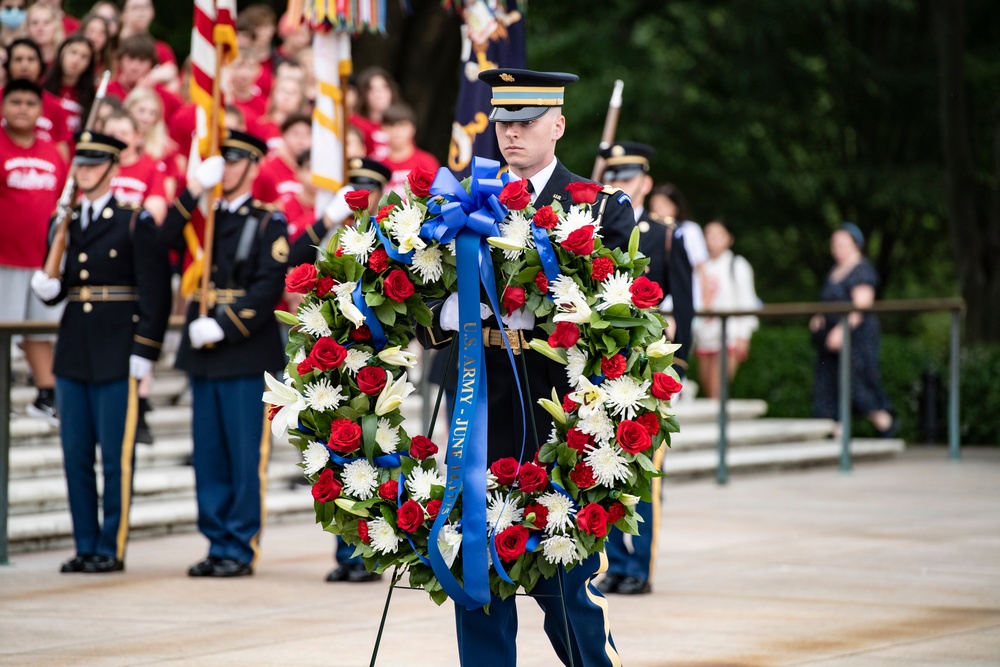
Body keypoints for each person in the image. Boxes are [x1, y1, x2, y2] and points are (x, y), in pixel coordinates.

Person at [420, 68, 634, 667]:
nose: (511, 134)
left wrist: (544, 316)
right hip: (478, 407)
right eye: (503, 123)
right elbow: (419, 307)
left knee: (567, 589)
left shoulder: (598, 207)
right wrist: (450, 310)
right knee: (477, 578)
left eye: (526, 122)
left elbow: (619, 320)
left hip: (557, 410)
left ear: (558, 126)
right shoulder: (461, 202)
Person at [30, 130, 171, 573]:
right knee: (75, 454)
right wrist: (50, 289)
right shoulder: (65, 221)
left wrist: (144, 350)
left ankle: (111, 546)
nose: (84, 172)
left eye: (93, 165)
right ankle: (85, 543)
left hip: (117, 349)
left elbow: (155, 294)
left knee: (114, 456)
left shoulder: (133, 220)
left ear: (112, 168)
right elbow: (67, 285)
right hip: (74, 350)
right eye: (80, 164)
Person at [159, 130, 289, 577]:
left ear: (253, 167)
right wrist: (194, 189)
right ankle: (216, 542)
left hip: (245, 350)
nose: (227, 168)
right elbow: (160, 243)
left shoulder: (269, 220)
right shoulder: (203, 218)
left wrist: (225, 323)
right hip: (204, 351)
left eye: (235, 161)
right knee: (209, 453)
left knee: (242, 453)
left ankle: (239, 544)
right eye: (223, 160)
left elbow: (270, 284)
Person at [595, 141, 693, 597]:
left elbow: (686, 309)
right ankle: (614, 562)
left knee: (644, 468)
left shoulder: (665, 234)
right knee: (604, 465)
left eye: (628, 179)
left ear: (646, 183)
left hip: (648, 366)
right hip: (602, 363)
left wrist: (678, 365)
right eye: (612, 178)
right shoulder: (592, 228)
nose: (619, 187)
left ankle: (639, 566)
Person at [0, 78, 67, 423]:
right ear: (4, 106)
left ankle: (46, 395)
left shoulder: (51, 150)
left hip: (43, 261)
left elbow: (63, 202)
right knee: (4, 332)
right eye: (16, 102)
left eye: (30, 103)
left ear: (41, 111)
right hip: (5, 259)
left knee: (39, 329)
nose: (22, 108)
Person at [810, 223, 896, 437]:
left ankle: (886, 425)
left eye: (842, 242)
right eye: (834, 243)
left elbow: (862, 304)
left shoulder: (862, 269)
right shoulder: (834, 270)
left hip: (856, 338)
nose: (837, 247)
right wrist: (821, 317)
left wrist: (842, 331)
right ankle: (838, 437)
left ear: (855, 244)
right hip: (829, 342)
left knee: (858, 384)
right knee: (829, 387)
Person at [694, 220, 759, 399]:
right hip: (704, 336)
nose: (711, 240)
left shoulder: (737, 265)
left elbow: (747, 301)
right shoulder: (700, 266)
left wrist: (743, 336)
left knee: (717, 389)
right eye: (708, 235)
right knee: (707, 388)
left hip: (728, 336)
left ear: (729, 239)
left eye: (717, 235)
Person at [380, 101, 440, 196]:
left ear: (413, 128)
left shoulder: (427, 161)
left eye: (402, 125)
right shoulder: (378, 164)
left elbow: (438, 197)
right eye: (391, 125)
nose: (396, 131)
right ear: (382, 128)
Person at [41, 34, 96, 136]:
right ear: (62, 53)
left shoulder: (92, 97)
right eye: (73, 52)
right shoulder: (42, 85)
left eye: (84, 57)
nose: (76, 60)